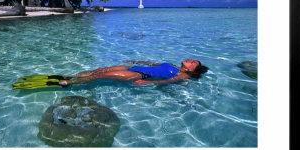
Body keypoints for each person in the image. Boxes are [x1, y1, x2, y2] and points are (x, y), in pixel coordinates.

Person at [59, 59, 207, 86]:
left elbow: (166, 81)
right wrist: (137, 61)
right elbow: (154, 64)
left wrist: (147, 82)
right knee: (100, 70)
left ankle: (70, 83)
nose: (190, 60)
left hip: (140, 75)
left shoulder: (183, 75)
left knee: (100, 75)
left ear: (190, 70)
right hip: (134, 68)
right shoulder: (174, 65)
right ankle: (73, 75)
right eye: (193, 59)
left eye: (193, 63)